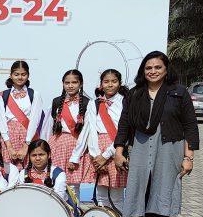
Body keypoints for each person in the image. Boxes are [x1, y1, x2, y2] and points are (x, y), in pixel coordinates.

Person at [114, 51, 198, 217]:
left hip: (168, 148)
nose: (153, 71)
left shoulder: (178, 93)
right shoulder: (135, 94)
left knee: (160, 199)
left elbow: (190, 125)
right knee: (143, 197)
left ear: (166, 69)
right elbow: (124, 123)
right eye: (148, 68)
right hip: (141, 148)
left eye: (158, 67)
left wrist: (188, 157)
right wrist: (119, 151)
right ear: (143, 70)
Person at [75, 68, 128, 209]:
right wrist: (96, 155)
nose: (110, 84)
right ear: (101, 84)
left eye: (114, 81)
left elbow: (125, 131)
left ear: (120, 83)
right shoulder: (94, 103)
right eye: (106, 81)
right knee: (101, 194)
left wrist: (106, 155)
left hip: (117, 149)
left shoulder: (125, 102)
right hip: (98, 150)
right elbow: (91, 130)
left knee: (116, 195)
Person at [50, 69, 92, 200]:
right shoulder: (56, 101)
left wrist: (76, 156)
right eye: (67, 83)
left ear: (81, 84)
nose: (70, 85)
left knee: (73, 185)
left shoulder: (87, 103)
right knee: (57, 182)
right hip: (57, 146)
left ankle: (74, 210)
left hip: (76, 146)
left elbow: (87, 130)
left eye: (74, 82)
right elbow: (52, 125)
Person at [0, 60, 46, 168]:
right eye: (16, 74)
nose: (20, 77)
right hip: (8, 138)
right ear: (11, 75)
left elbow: (34, 121)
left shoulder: (34, 95)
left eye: (23, 74)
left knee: (29, 170)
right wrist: (9, 146)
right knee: (9, 171)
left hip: (28, 136)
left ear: (28, 75)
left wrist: (26, 145)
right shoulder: (2, 96)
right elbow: (1, 122)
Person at [21, 138, 69, 204]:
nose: (37, 158)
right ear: (29, 156)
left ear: (49, 155)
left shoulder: (58, 174)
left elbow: (59, 198)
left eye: (41, 154)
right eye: (34, 155)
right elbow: (21, 196)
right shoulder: (23, 173)